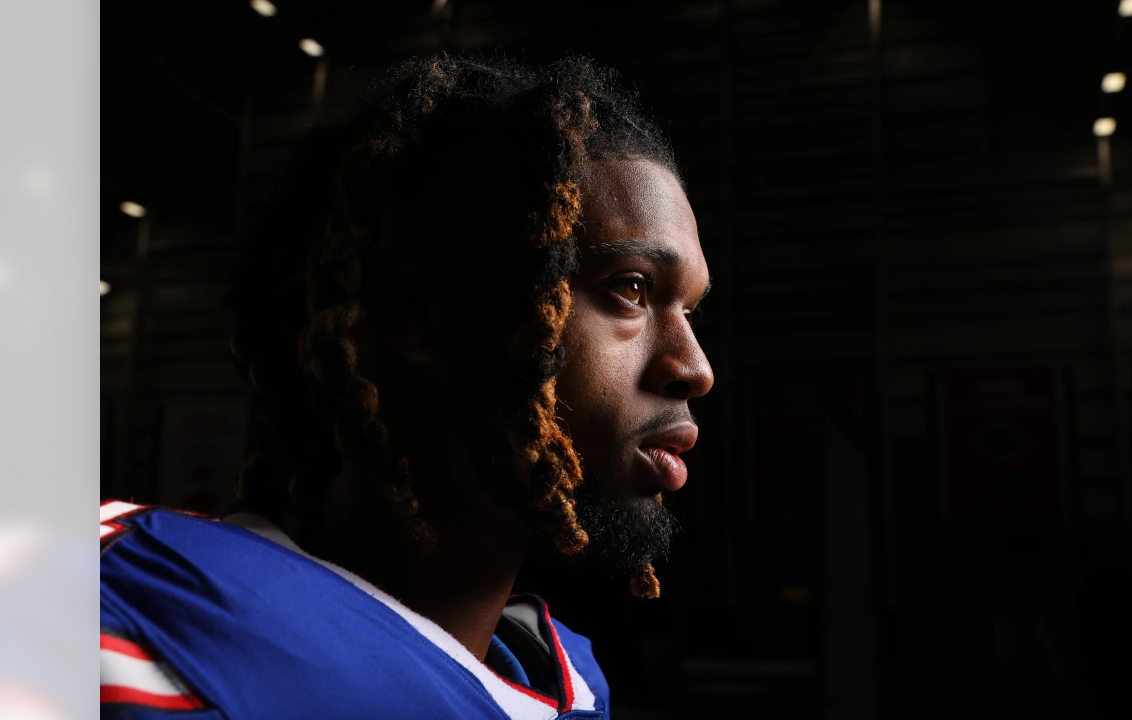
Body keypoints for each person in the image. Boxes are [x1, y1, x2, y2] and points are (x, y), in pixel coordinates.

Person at [99, 54, 713, 719]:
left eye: (690, 310)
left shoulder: (565, 680)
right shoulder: (124, 615)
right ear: (417, 313)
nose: (694, 365)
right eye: (630, 290)